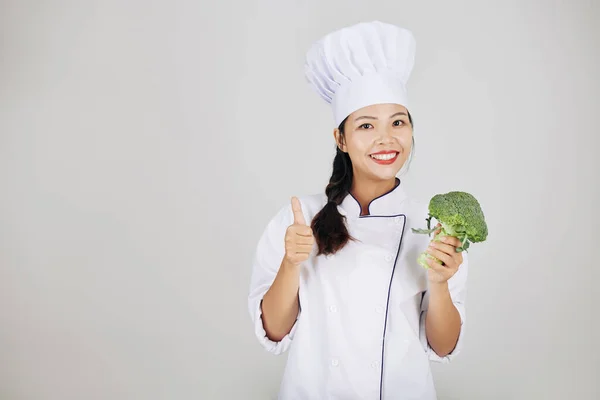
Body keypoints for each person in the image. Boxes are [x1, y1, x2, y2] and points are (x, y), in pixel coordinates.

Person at [247, 20, 469, 400]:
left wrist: (439, 283)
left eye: (398, 122)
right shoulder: (300, 218)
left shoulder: (433, 228)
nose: (386, 139)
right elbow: (275, 331)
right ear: (341, 138)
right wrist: (291, 262)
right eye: (366, 125)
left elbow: (443, 347)